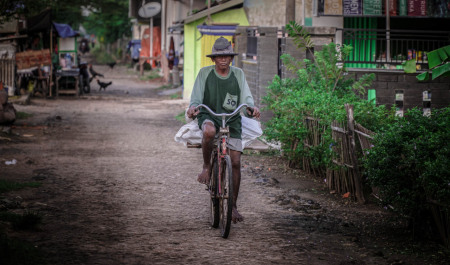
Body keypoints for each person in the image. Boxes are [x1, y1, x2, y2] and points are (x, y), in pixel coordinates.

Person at [187, 37, 260, 223]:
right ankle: (206, 166)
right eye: (219, 57)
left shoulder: (238, 74)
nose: (223, 59)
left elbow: (246, 98)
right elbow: (195, 98)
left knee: (235, 161)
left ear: (231, 58)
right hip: (209, 115)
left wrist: (251, 108)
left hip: (232, 118)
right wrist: (193, 108)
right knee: (209, 132)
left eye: (227, 56)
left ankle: (233, 206)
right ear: (213, 59)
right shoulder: (205, 74)